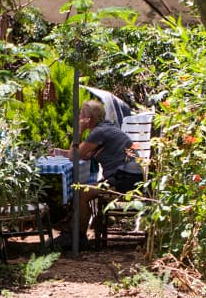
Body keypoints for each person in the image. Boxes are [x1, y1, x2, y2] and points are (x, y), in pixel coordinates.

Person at [49, 99, 143, 240]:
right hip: (129, 178)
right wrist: (57, 152)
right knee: (81, 190)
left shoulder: (98, 133)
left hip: (124, 180)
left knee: (81, 192)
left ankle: (78, 237)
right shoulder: (107, 128)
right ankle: (74, 230)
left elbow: (73, 156)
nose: (79, 118)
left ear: (89, 119)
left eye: (81, 114)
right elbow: (86, 155)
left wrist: (79, 131)